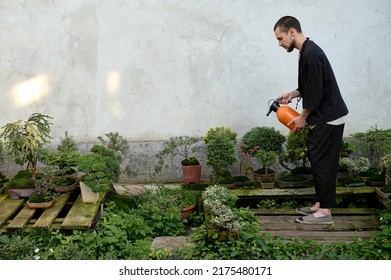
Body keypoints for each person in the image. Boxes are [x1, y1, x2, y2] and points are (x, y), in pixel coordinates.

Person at [273, 16, 349, 225]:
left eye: (280, 39)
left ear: (292, 32)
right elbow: (308, 87)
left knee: (322, 162)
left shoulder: (311, 54)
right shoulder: (305, 52)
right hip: (326, 115)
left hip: (328, 116)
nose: (280, 44)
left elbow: (315, 93)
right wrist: (292, 94)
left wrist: (302, 117)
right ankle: (320, 204)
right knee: (319, 160)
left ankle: (324, 212)